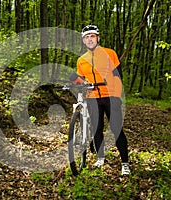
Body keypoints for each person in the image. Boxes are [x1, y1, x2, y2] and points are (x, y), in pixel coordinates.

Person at [73, 24, 130, 175]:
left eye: (92, 36)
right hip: (92, 98)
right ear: (83, 41)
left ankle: (125, 163)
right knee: (97, 129)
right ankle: (100, 157)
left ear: (98, 38)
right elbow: (81, 79)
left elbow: (118, 76)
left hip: (110, 96)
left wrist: (117, 95)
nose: (89, 39)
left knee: (117, 129)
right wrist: (76, 82)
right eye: (86, 37)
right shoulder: (81, 60)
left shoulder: (110, 53)